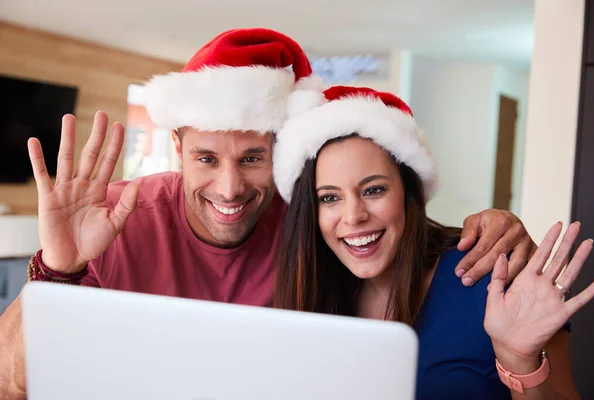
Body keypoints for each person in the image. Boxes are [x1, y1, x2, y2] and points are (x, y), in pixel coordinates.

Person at [0, 30, 536, 399]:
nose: (229, 188)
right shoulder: (113, 217)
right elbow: (11, 385)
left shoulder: (313, 228)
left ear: (282, 155)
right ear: (177, 146)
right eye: (206, 158)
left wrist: (496, 225)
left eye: (253, 158)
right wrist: (57, 267)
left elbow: (388, 230)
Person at [273, 86, 594, 399]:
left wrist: (520, 362)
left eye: (374, 190)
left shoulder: (488, 275)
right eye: (329, 197)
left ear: (408, 192)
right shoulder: (312, 290)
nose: (353, 216)